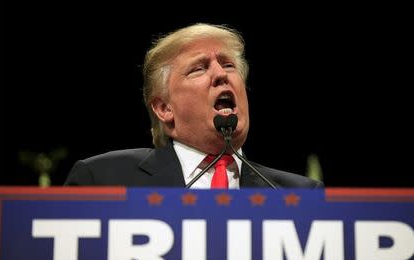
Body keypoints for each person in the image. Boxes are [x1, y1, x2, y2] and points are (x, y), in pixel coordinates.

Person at [64, 23, 323, 188]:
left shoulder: (297, 196)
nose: (221, 74)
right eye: (198, 69)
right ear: (164, 108)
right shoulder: (102, 180)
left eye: (228, 65)